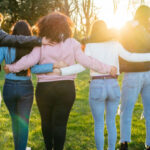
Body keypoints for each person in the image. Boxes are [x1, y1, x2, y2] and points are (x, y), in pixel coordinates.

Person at [4, 12, 117, 150]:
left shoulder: (42, 42)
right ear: (66, 26)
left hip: (45, 89)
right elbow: (87, 61)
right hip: (66, 89)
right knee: (60, 124)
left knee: (46, 122)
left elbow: (29, 60)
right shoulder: (72, 43)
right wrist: (108, 68)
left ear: (45, 26)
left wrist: (12, 67)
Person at [45, 20, 150, 150]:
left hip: (97, 85)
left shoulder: (90, 46)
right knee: (111, 122)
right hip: (113, 85)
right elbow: (131, 56)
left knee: (99, 124)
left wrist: (62, 71)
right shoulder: (114, 44)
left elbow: (81, 66)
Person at [0, 20, 54, 150]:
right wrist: (54, 66)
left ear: (13, 33)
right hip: (25, 88)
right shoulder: (32, 47)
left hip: (9, 87)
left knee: (15, 121)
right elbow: (35, 69)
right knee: (23, 122)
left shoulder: (4, 45)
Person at [119, 5, 150, 150]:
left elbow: (121, 46)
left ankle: (124, 143)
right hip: (149, 72)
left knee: (126, 109)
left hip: (133, 72)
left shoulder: (128, 27)